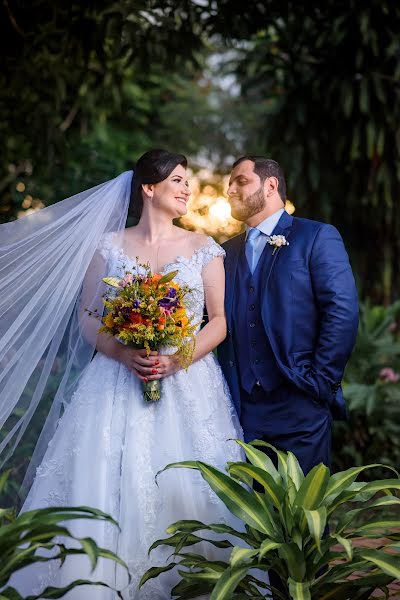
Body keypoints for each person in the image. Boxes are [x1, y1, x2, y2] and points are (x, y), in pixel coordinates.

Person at [3, 150, 244, 599]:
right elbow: (89, 317)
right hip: (115, 380)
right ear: (148, 188)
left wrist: (177, 359)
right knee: (100, 479)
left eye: (187, 181)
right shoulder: (108, 247)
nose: (187, 189)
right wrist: (120, 351)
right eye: (177, 180)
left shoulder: (203, 248)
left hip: (187, 382)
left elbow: (219, 322)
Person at [219, 155, 359, 472]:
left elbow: (342, 311)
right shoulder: (224, 253)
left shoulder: (316, 237)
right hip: (242, 411)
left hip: (301, 402)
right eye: (229, 185)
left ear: (271, 185)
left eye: (240, 181)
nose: (230, 191)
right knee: (250, 515)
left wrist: (320, 382)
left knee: (303, 516)